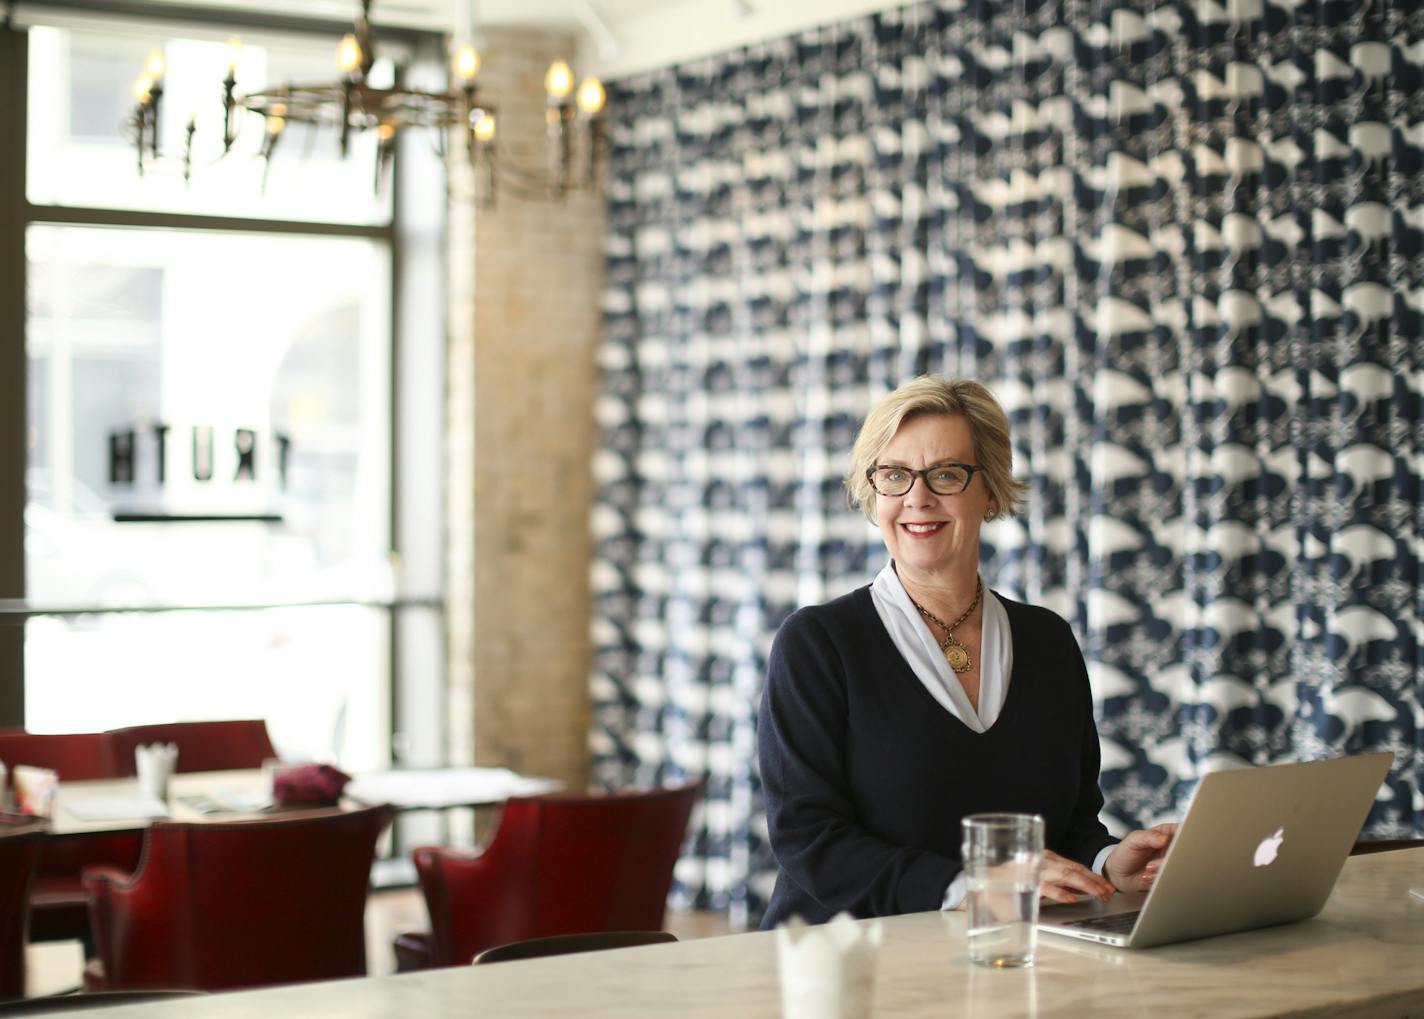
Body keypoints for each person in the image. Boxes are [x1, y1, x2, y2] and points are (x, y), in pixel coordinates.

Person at [758, 375, 1175, 928]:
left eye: (947, 474)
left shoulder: (1047, 641)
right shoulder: (817, 643)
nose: (918, 498)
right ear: (872, 491)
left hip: (1008, 954)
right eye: (894, 475)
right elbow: (809, 838)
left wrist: (1109, 863)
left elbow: (1068, 826)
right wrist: (971, 885)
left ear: (992, 491)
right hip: (844, 967)